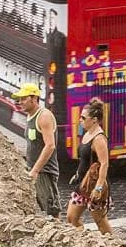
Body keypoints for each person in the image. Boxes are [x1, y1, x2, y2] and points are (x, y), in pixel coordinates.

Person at [66, 98, 112, 234]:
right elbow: (85, 160)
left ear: (94, 120)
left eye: (83, 117)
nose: (80, 120)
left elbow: (104, 164)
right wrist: (77, 174)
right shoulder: (87, 133)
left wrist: (98, 188)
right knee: (71, 218)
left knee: (101, 222)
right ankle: (83, 240)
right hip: (82, 185)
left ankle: (113, 243)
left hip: (93, 186)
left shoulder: (98, 138)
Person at [16, 83, 60, 218]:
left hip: (44, 172)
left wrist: (35, 171)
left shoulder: (44, 116)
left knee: (51, 212)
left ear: (34, 99)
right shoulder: (30, 116)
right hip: (35, 170)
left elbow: (50, 145)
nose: (20, 102)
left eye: (24, 99)